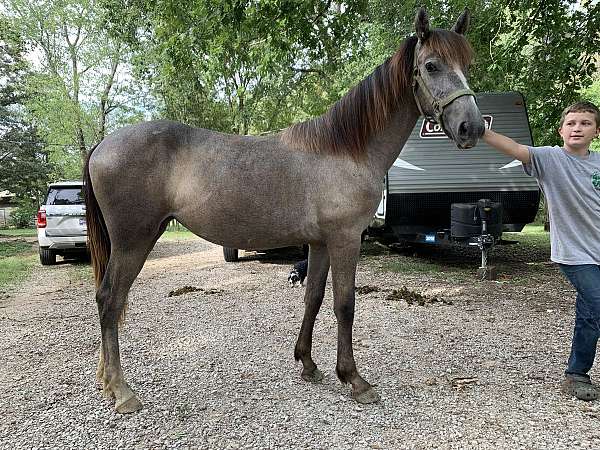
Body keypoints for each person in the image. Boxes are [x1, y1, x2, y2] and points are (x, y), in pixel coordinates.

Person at [482, 101, 600, 400]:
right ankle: (577, 373)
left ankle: (576, 374)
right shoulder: (549, 158)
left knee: (590, 314)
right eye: (572, 123)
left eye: (585, 123)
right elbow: (513, 147)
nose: (577, 128)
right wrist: (480, 130)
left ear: (596, 131)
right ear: (561, 130)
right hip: (575, 254)